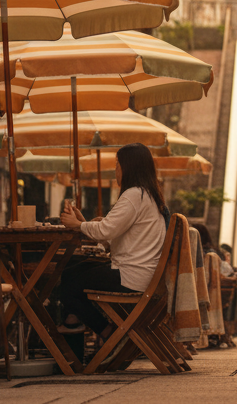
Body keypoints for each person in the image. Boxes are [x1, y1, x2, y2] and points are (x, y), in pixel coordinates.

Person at [59, 143, 169, 359]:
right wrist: (84, 223)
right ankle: (82, 323)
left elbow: (106, 229)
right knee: (73, 270)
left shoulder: (133, 195)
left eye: (117, 165)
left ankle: (106, 332)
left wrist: (77, 225)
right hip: (145, 276)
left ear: (128, 167)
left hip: (131, 277)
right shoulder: (149, 195)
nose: (115, 170)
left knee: (67, 282)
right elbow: (113, 230)